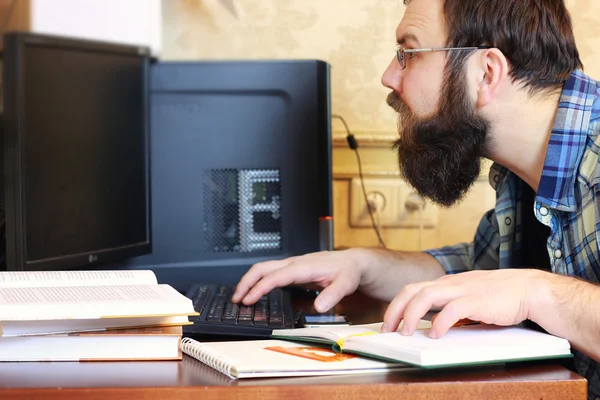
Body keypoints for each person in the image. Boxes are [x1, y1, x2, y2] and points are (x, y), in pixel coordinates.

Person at [232, 0, 600, 397]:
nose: (389, 76)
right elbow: (473, 273)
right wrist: (364, 263)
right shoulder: (521, 174)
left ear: (486, 72)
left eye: (408, 53)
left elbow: (517, 289)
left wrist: (535, 293)